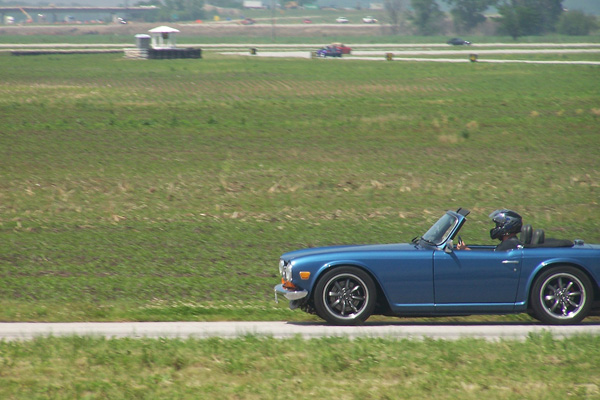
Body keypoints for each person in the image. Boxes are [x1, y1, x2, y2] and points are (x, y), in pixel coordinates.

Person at [457, 209, 523, 251]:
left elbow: (487, 260)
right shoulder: (510, 242)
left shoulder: (509, 244)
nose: (495, 228)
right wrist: (466, 249)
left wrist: (465, 249)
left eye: (497, 225)